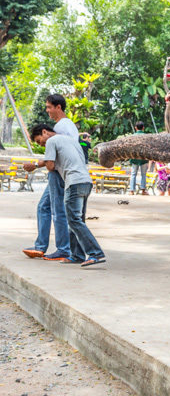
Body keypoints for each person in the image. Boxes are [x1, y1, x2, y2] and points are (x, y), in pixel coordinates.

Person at [28, 124, 105, 267]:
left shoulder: (52, 141)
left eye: (40, 141)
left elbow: (50, 167)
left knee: (74, 221)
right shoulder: (72, 141)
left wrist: (38, 164)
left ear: (45, 132)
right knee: (76, 221)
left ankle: (95, 253)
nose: (42, 144)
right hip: (86, 182)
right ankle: (77, 255)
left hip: (73, 183)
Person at [22, 94, 79, 261]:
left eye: (48, 107)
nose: (47, 110)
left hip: (58, 173)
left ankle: (63, 249)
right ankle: (41, 246)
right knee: (43, 207)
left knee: (57, 211)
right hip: (61, 172)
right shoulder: (66, 126)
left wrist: (36, 165)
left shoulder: (60, 128)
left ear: (58, 107)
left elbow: (53, 160)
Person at [128, 121, 149, 195]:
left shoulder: (132, 136)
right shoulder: (146, 136)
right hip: (143, 157)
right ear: (143, 128)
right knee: (143, 174)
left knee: (133, 174)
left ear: (135, 128)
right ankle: (143, 190)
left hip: (134, 157)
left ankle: (131, 191)